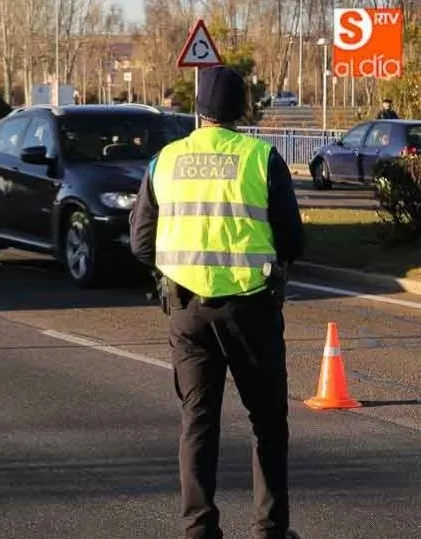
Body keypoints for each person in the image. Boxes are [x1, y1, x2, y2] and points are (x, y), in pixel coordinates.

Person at [129, 65, 305, 539]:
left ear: (200, 110)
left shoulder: (165, 160)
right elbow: (291, 239)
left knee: (198, 421)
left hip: (187, 310)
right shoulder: (261, 158)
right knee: (267, 423)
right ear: (241, 110)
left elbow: (141, 242)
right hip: (250, 309)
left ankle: (199, 528)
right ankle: (271, 529)